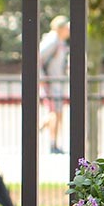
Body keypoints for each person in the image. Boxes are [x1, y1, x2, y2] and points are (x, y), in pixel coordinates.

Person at [38, 16, 71, 154]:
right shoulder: (52, 41)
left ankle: (54, 142)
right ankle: (52, 143)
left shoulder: (60, 42)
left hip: (57, 83)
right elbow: (38, 58)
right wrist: (42, 78)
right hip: (50, 84)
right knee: (54, 113)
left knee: (57, 113)